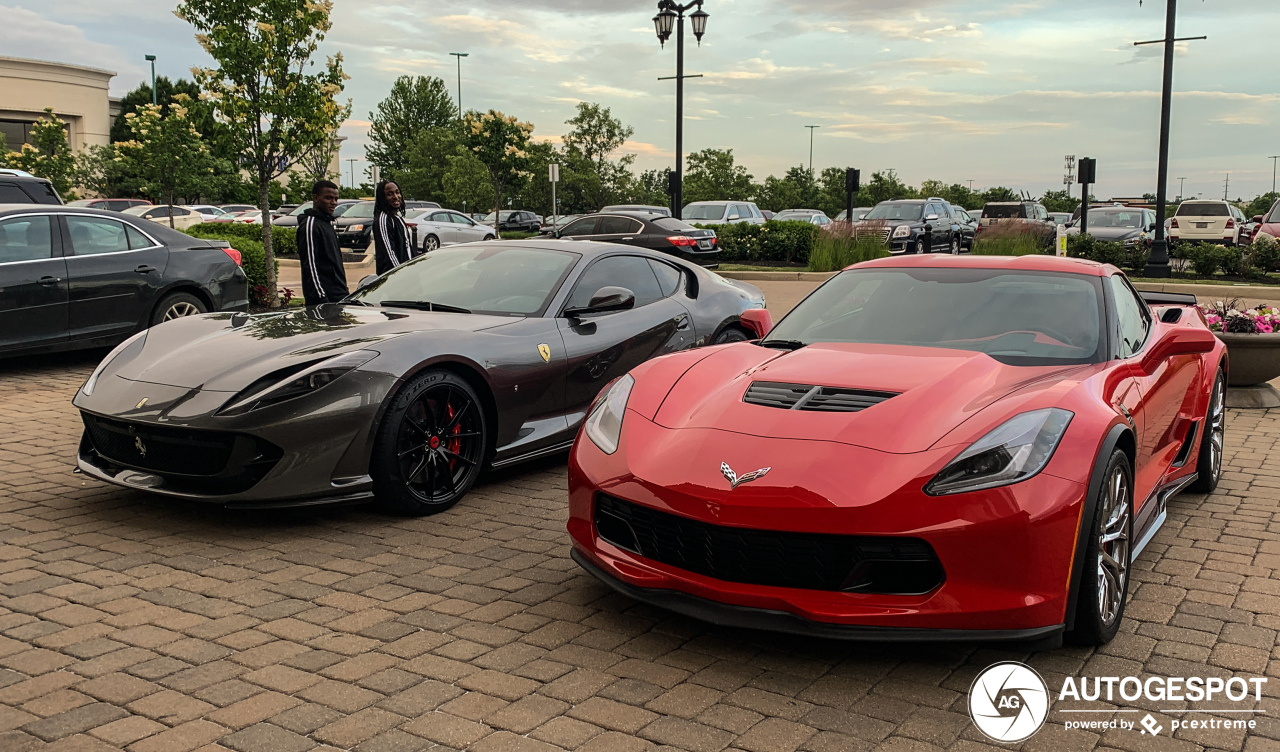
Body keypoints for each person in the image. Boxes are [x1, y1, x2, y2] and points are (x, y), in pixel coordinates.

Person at [297, 180, 349, 306]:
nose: (333, 203)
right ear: (315, 198)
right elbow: (310, 265)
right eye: (328, 198)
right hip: (323, 301)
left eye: (336, 199)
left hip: (339, 296)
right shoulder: (310, 226)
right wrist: (321, 298)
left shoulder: (327, 224)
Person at [372, 180, 412, 275]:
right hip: (393, 279)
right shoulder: (383, 219)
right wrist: (400, 275)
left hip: (407, 276)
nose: (395, 197)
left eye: (397, 192)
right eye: (390, 194)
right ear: (383, 198)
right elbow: (389, 253)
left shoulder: (398, 219)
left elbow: (407, 249)